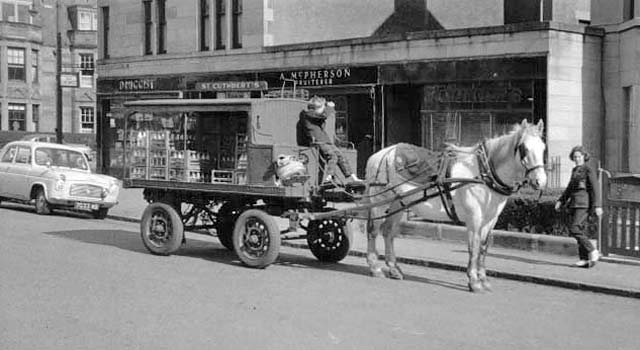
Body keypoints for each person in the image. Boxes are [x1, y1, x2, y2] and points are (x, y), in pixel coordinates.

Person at [554, 145, 603, 268]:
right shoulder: (575, 170)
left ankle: (592, 250)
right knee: (580, 230)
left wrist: (597, 205)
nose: (577, 159)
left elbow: (595, 188)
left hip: (583, 204)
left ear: (584, 157)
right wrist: (561, 200)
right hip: (574, 204)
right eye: (575, 157)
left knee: (574, 229)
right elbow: (570, 189)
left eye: (579, 156)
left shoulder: (588, 169)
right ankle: (584, 259)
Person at [297, 96, 362, 184]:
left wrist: (326, 107)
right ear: (316, 107)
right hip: (318, 141)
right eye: (322, 107)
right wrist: (330, 107)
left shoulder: (313, 116)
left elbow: (322, 116)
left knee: (341, 156)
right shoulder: (307, 114)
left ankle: (353, 177)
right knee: (332, 156)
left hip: (325, 140)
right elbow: (323, 115)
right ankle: (329, 177)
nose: (324, 110)